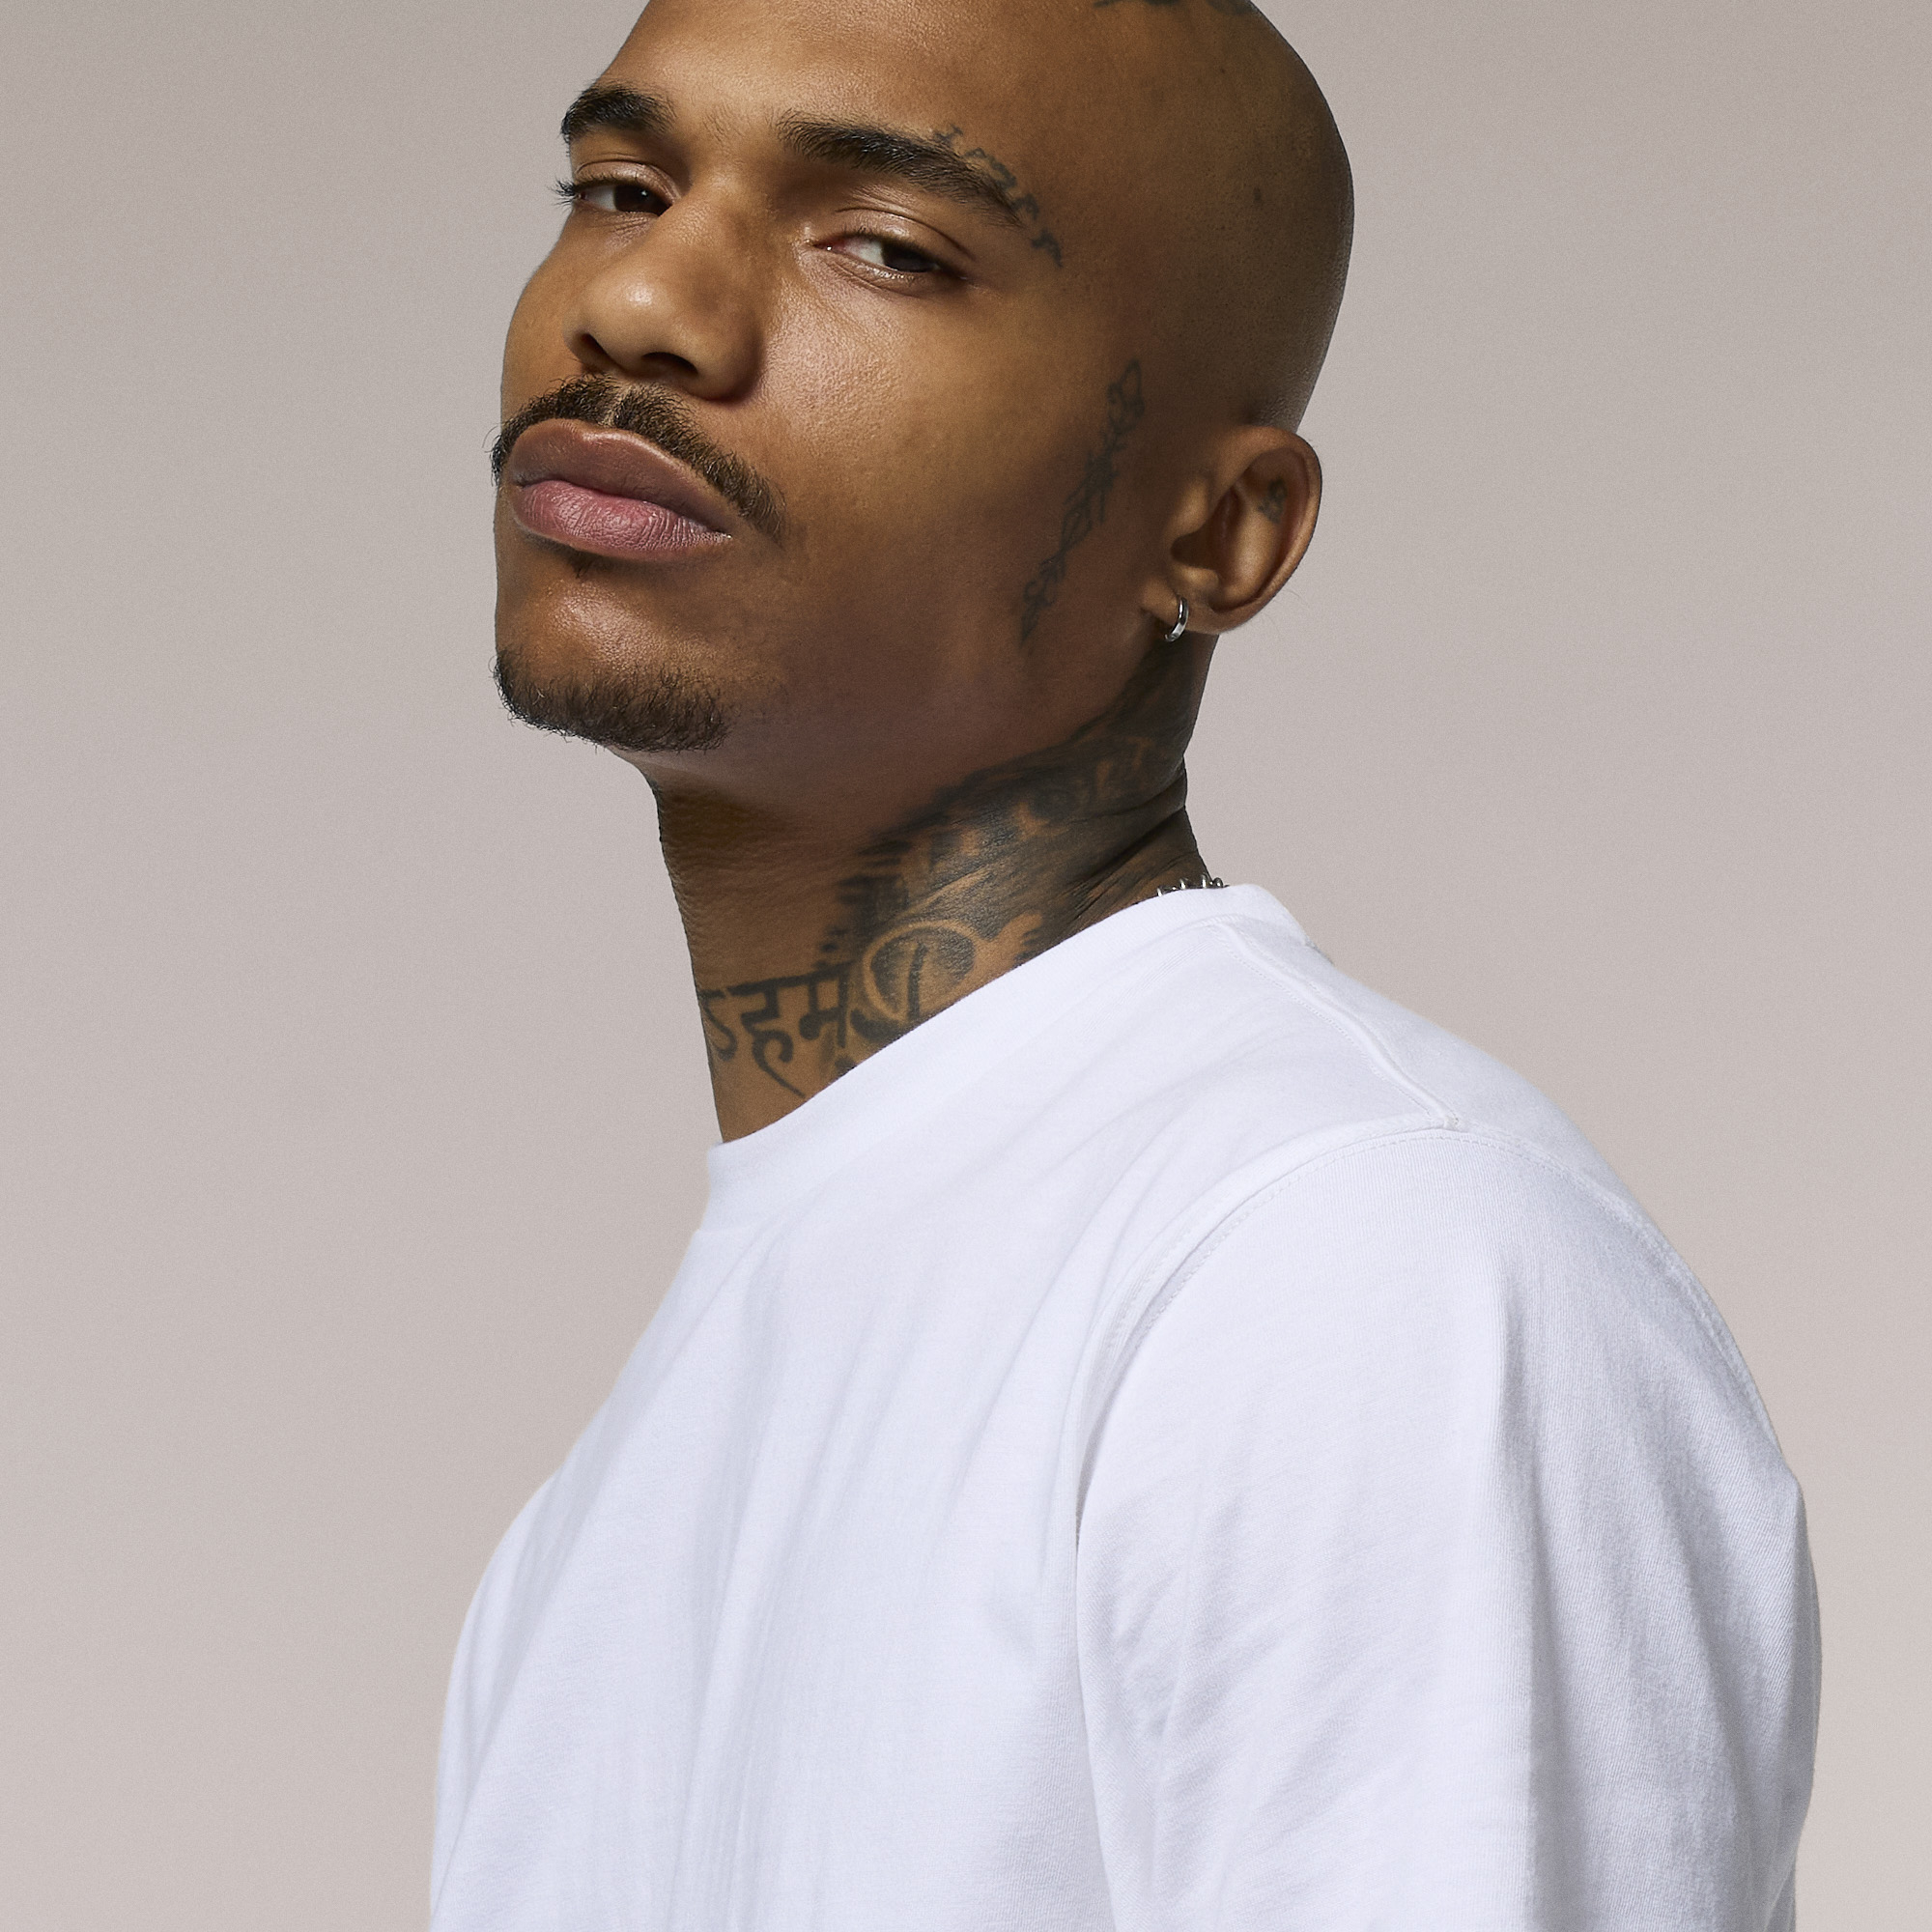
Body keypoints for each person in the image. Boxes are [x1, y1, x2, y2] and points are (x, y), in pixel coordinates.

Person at [433, 0, 1819, 1925]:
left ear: (1221, 533)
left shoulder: (1354, 1270)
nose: (643, 301)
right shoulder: (597, 1519)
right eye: (621, 186)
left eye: (885, 246)